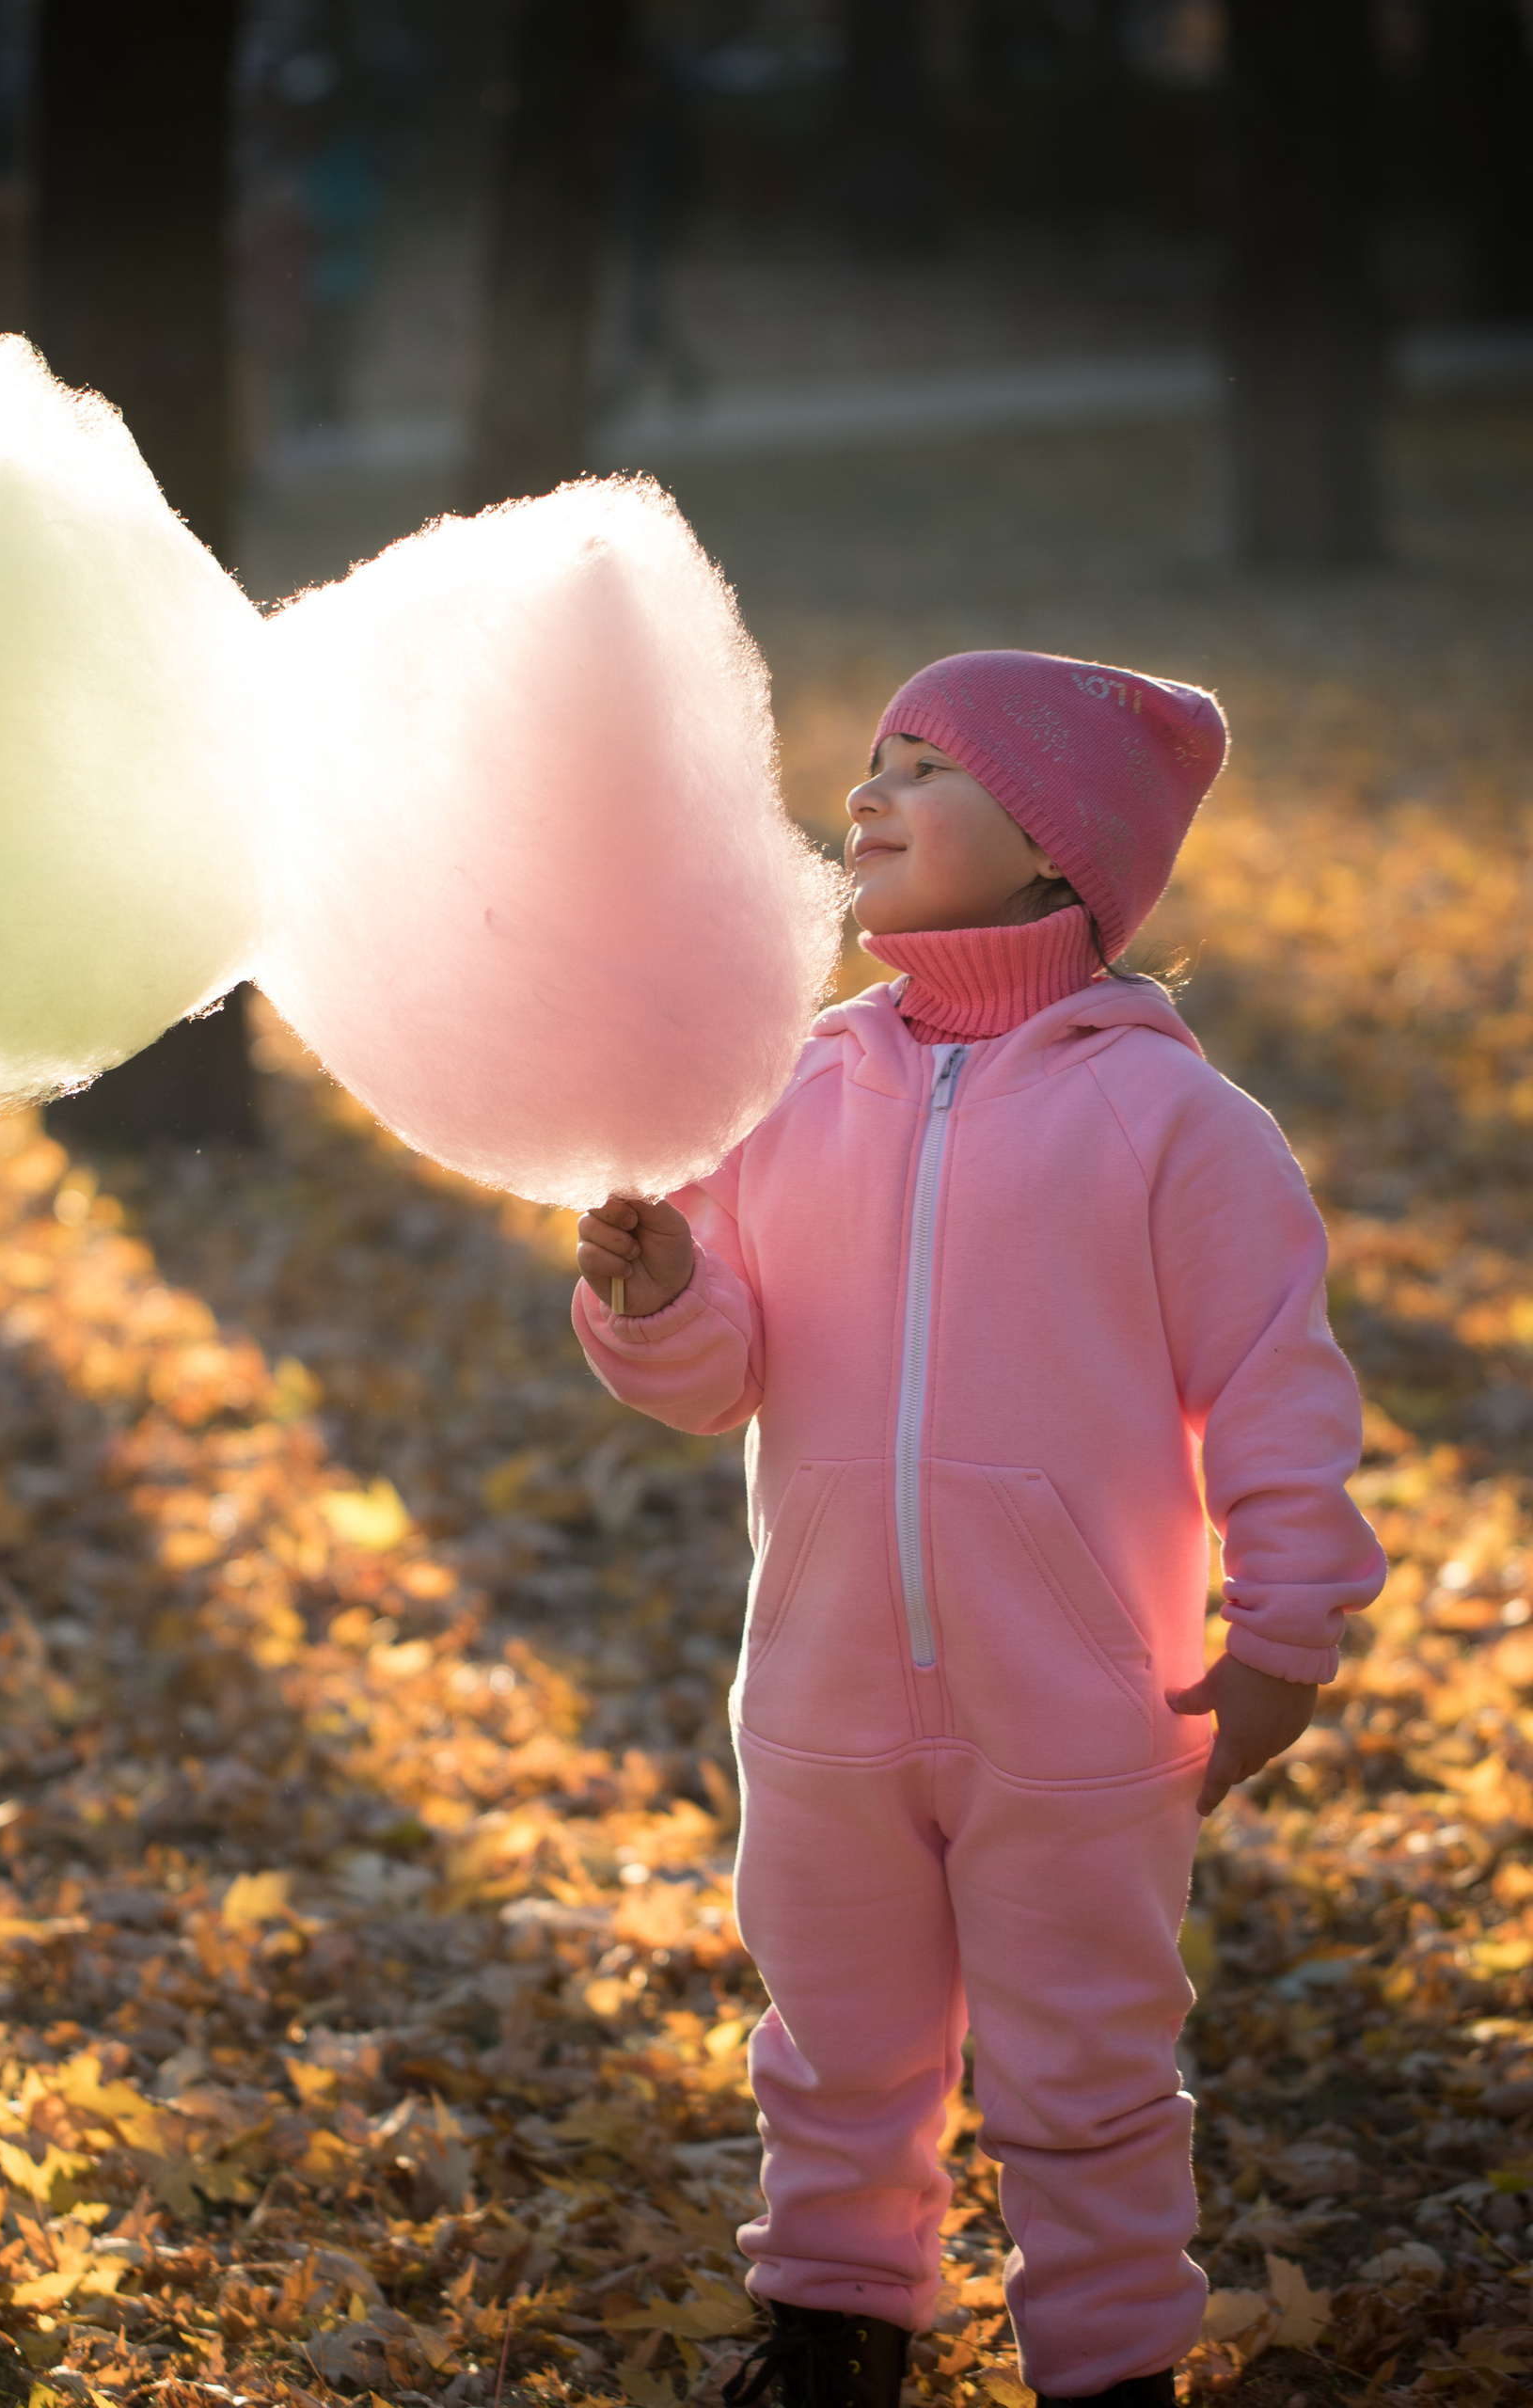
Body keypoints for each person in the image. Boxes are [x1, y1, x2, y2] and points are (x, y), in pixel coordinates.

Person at [573, 651, 1384, 2408]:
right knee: (834, 2052)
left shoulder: (1174, 1121)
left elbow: (1275, 1389)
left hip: (1082, 1716)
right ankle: (833, 2336)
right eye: (870, 762)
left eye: (925, 768)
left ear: (1052, 845)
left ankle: (1109, 2364)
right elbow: (718, 1376)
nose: (865, 795)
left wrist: (1286, 1636)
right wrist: (658, 1295)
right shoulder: (787, 1088)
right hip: (825, 1702)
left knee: (1086, 2078)